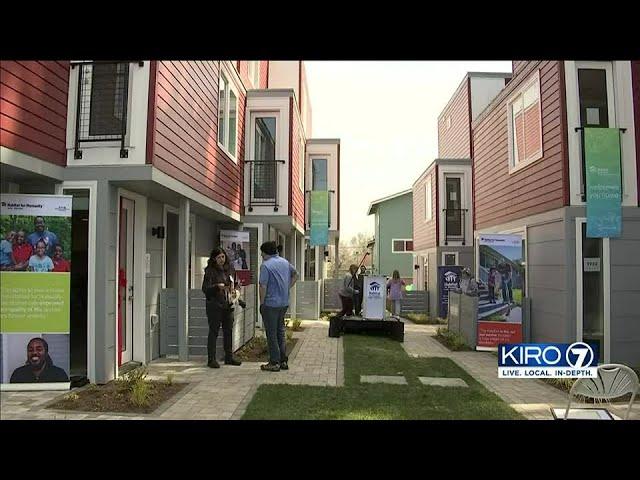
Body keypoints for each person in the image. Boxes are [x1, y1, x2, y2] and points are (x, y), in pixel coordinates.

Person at [258, 241, 297, 372]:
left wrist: (262, 303)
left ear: (266, 252)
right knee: (280, 332)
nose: (261, 255)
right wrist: (287, 287)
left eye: (262, 252)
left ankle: (274, 362)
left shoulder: (265, 266)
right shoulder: (285, 262)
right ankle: (283, 361)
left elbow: (263, 286)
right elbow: (296, 274)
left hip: (270, 304)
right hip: (284, 303)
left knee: (271, 333)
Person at [201, 247, 242, 368]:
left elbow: (237, 283)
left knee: (228, 331)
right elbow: (205, 289)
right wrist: (217, 287)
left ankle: (229, 357)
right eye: (218, 257)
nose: (221, 259)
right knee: (213, 332)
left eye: (223, 256)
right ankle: (211, 359)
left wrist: (236, 291)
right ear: (214, 259)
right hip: (215, 305)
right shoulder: (210, 271)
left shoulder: (230, 269)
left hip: (228, 304)